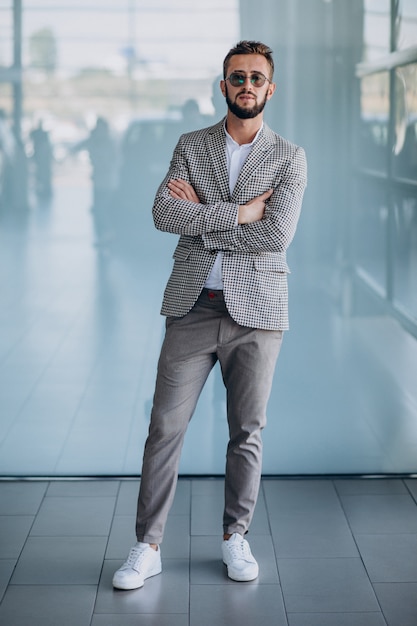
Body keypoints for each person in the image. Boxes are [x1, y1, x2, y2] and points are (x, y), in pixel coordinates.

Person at [113, 40, 307, 590]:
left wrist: (201, 213)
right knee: (164, 428)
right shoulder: (191, 145)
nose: (246, 85)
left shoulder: (289, 156)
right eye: (237, 77)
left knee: (246, 430)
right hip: (192, 305)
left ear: (271, 89)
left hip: (260, 312)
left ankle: (234, 538)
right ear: (222, 86)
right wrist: (240, 212)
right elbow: (161, 212)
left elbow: (276, 235)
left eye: (256, 78)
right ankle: (146, 545)